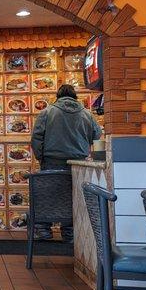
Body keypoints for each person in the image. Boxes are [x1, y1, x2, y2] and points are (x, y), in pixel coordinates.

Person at [31, 84, 102, 241]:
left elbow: (36, 138)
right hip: (78, 163)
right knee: (73, 195)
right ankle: (70, 232)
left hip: (51, 161)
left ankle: (43, 230)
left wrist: (40, 157)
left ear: (58, 96)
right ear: (75, 96)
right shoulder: (86, 114)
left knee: (48, 194)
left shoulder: (47, 112)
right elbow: (97, 135)